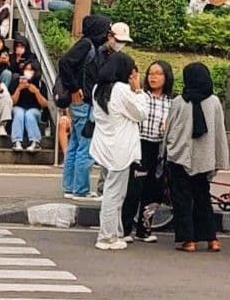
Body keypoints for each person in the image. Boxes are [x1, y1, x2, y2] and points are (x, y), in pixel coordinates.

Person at [164, 63, 229, 252]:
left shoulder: (179, 101)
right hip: (205, 157)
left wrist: (166, 149)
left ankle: (188, 240)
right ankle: (211, 239)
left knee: (182, 198)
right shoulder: (214, 101)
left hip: (181, 156)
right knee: (203, 197)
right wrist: (219, 158)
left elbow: (170, 128)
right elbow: (219, 131)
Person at [90, 52, 148, 250]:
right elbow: (141, 113)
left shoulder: (98, 88)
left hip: (104, 145)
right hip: (120, 148)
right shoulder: (121, 90)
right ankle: (107, 237)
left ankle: (115, 232)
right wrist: (138, 91)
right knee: (115, 194)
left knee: (112, 191)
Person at [57, 14, 114, 198]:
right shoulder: (87, 45)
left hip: (80, 104)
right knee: (85, 147)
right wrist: (74, 88)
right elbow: (64, 62)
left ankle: (69, 186)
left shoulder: (89, 45)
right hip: (84, 102)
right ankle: (80, 189)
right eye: (106, 29)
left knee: (75, 145)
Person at [121, 60, 173, 243]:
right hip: (140, 145)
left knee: (152, 191)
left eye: (158, 74)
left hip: (159, 148)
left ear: (166, 77)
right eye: (151, 73)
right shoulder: (142, 96)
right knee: (134, 189)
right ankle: (125, 229)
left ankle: (144, 230)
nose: (153, 77)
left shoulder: (171, 102)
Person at [10, 61, 48, 152]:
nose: (27, 72)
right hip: (18, 107)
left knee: (29, 114)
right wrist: (19, 89)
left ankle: (35, 142)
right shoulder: (17, 81)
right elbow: (12, 102)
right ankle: (16, 141)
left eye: (31, 70)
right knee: (19, 113)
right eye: (26, 69)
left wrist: (36, 92)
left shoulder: (40, 84)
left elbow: (44, 104)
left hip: (34, 109)